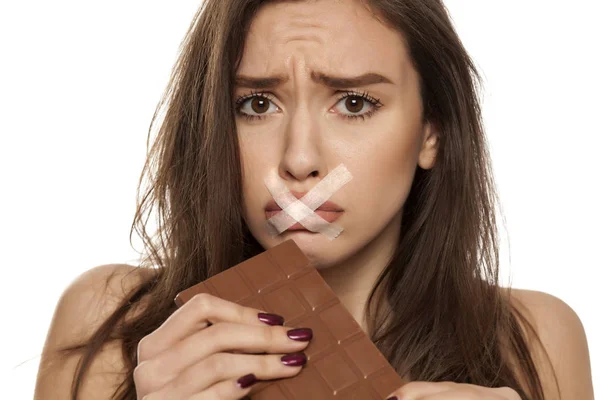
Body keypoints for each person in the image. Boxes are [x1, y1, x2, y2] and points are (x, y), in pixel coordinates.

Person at [33, 0, 594, 399]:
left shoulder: (534, 337)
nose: (299, 160)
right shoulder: (110, 323)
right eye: (256, 104)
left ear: (432, 132)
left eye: (353, 103)